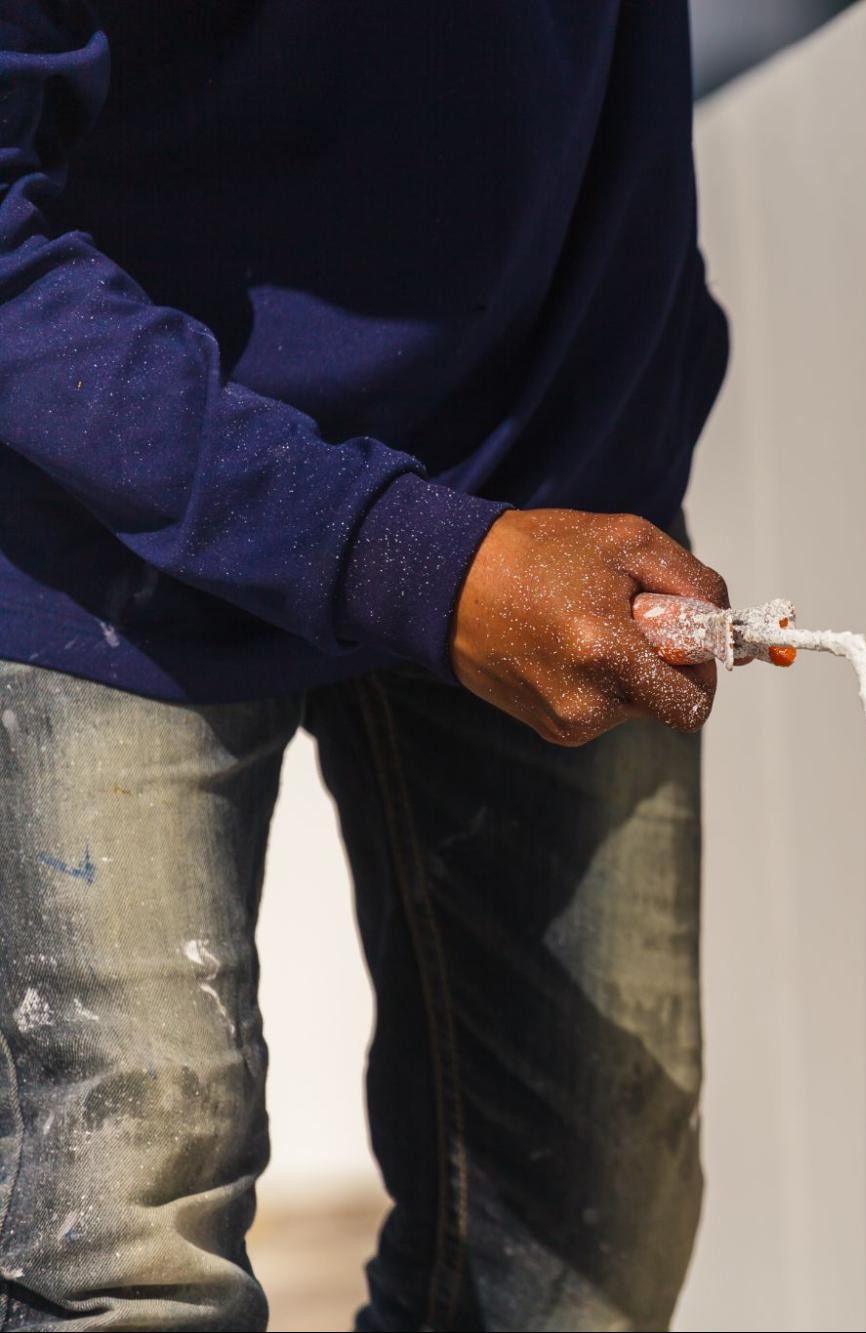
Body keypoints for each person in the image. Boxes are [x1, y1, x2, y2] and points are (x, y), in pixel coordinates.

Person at [0, 2, 744, 1327]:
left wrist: (613, 433)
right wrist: (411, 560)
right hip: (90, 495)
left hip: (551, 464)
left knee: (583, 1253)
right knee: (125, 1264)